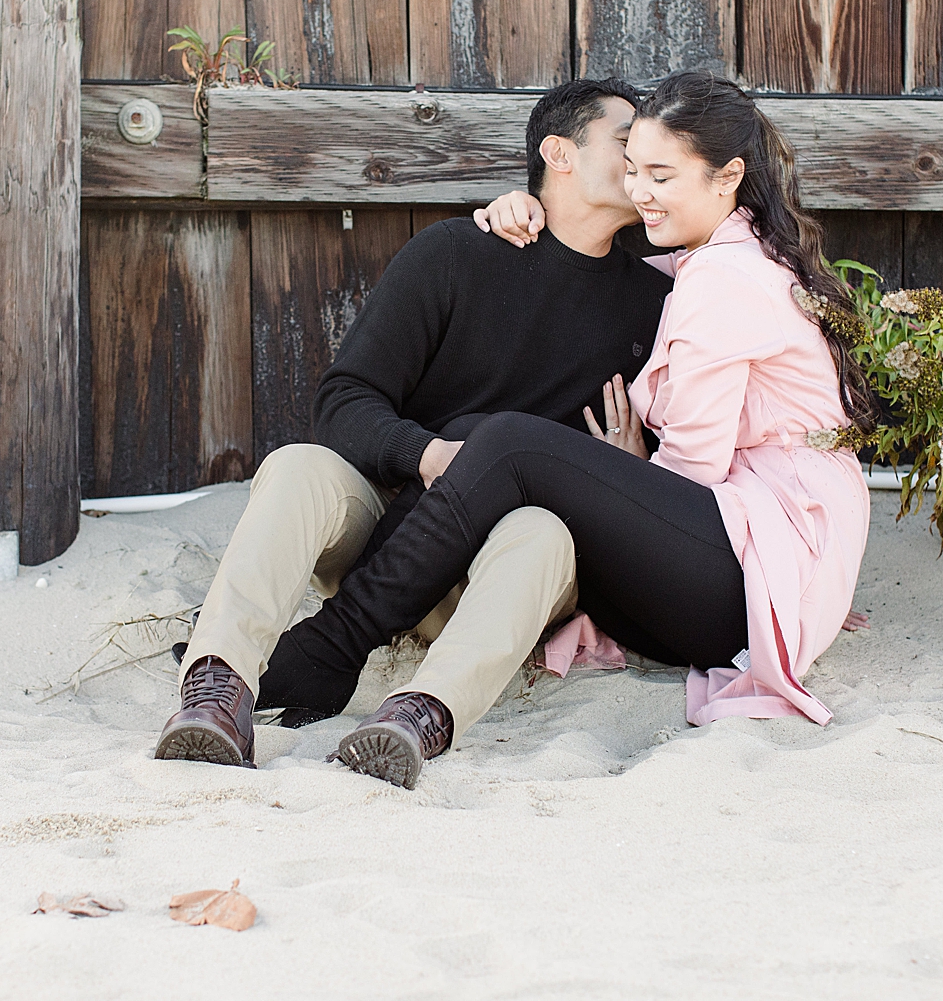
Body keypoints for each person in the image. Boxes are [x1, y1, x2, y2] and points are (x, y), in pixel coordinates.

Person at [269, 70, 876, 789]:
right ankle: (337, 639)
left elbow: (697, 468)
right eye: (633, 169)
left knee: (511, 442)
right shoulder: (717, 257)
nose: (640, 188)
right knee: (480, 429)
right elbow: (581, 259)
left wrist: (630, 484)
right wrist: (518, 209)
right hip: (740, 554)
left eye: (659, 173)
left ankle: (334, 641)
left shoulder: (724, 278)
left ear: (728, 177)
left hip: (741, 582)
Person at [156, 79, 672, 783]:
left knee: (545, 534)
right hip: (388, 533)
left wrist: (631, 468)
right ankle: (218, 690)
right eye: (626, 139)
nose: (646, 153)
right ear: (559, 152)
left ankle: (415, 717)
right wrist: (428, 455)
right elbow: (344, 400)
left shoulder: (656, 302)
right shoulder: (456, 255)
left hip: (500, 577)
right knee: (299, 467)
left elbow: (685, 471)